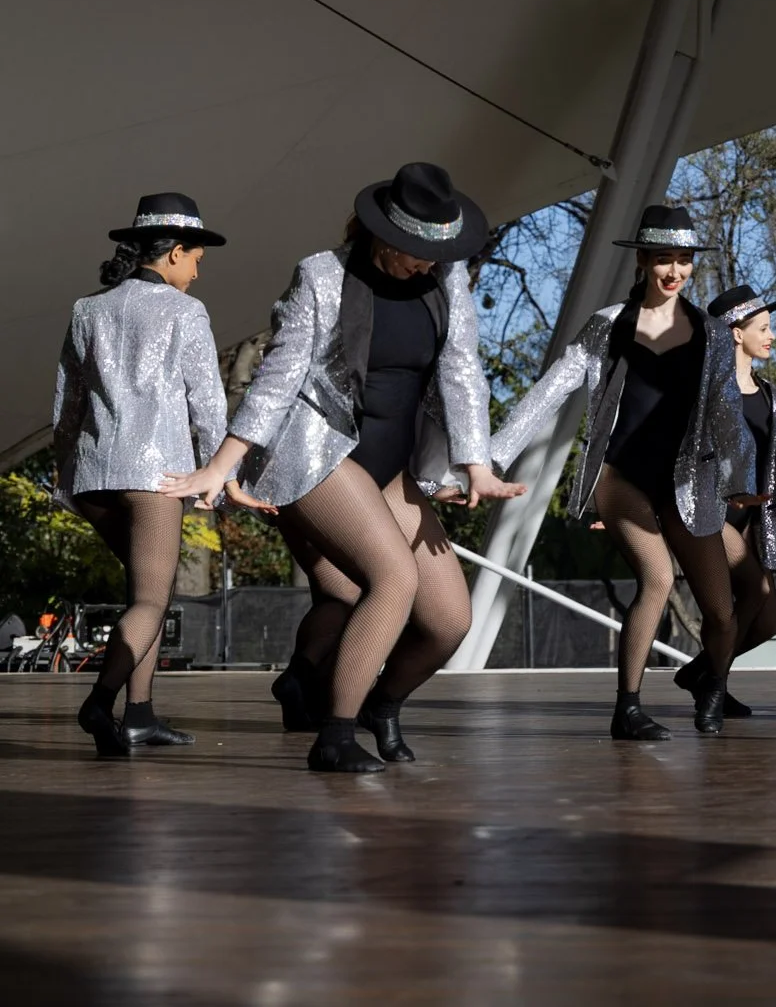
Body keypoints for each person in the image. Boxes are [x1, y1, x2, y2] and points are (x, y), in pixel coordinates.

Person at [165, 163, 526, 771]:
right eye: (418, 252)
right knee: (392, 581)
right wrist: (220, 464)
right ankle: (333, 737)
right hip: (319, 451)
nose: (429, 264)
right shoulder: (322, 276)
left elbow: (462, 370)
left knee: (448, 621)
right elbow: (278, 377)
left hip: (391, 467)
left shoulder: (446, 279)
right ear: (386, 238)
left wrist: (475, 464)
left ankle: (380, 706)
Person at [489, 205, 755, 738]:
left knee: (722, 613)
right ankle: (627, 708)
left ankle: (712, 687)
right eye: (663, 259)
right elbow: (550, 392)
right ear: (642, 261)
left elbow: (728, 414)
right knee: (656, 579)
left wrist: (741, 481)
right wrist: (492, 457)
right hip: (622, 478)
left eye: (683, 260)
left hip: (688, 482)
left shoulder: (711, 334)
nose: (674, 271)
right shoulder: (609, 326)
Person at [52, 193, 229, 756]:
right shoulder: (186, 312)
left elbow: (66, 407)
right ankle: (100, 703)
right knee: (153, 601)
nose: (199, 269)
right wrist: (217, 473)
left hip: (95, 477)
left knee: (140, 597)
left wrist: (64, 479)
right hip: (158, 475)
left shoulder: (88, 310)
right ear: (175, 252)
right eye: (197, 257)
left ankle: (141, 715)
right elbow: (208, 402)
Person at [670, 284, 776, 718]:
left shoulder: (773, 400)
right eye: (763, 328)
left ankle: (704, 673)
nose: (771, 336)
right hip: (708, 513)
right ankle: (713, 687)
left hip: (753, 522)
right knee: (756, 590)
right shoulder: (702, 391)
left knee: (766, 625)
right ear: (734, 332)